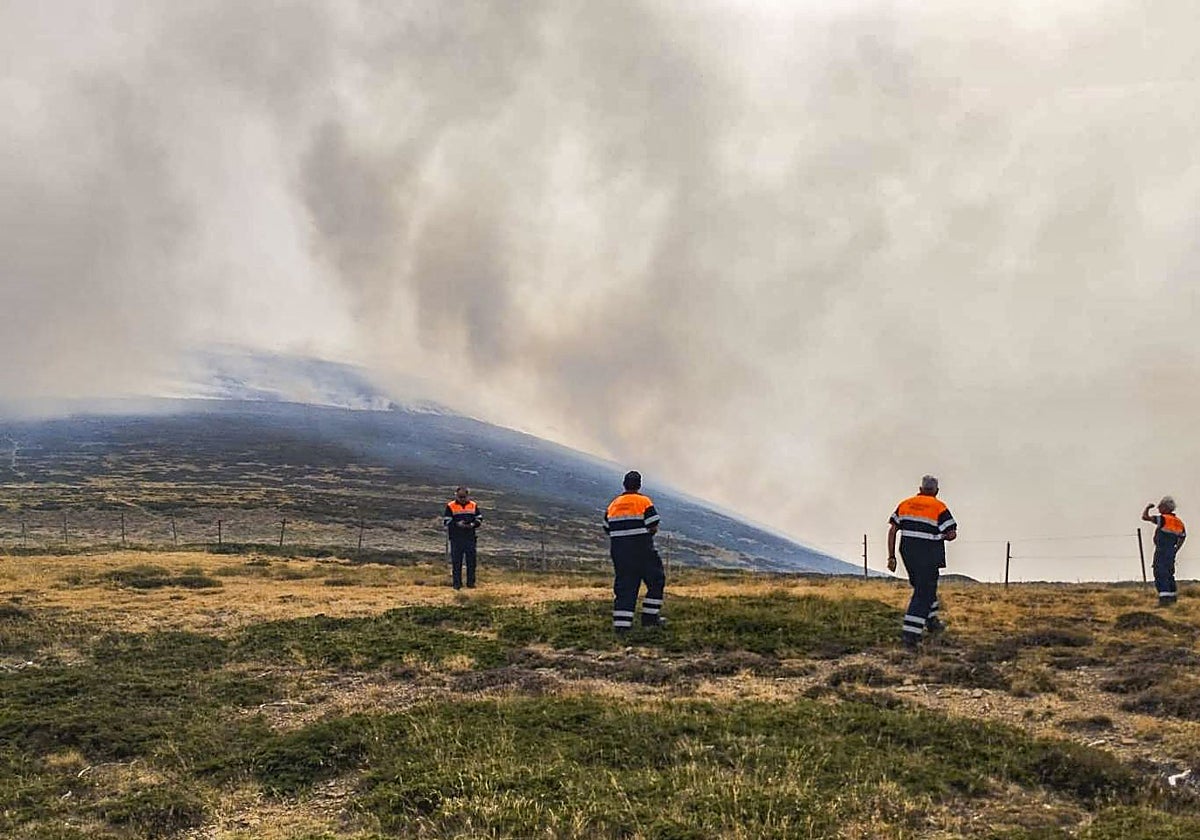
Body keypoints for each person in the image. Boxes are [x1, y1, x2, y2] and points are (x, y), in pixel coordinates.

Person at [887, 475, 957, 649]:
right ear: (936, 491)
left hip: (907, 553)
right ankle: (910, 634)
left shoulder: (905, 504)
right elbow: (951, 534)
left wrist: (891, 556)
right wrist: (942, 535)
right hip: (928, 555)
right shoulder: (939, 507)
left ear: (920, 489)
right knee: (923, 593)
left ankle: (932, 622)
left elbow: (893, 530)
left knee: (924, 587)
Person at [603, 470, 666, 632]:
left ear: (624, 484)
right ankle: (650, 619)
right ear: (639, 485)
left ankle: (622, 626)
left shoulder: (613, 505)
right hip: (642, 550)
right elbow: (653, 525)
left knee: (625, 587)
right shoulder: (643, 502)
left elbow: (607, 528)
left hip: (620, 553)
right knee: (656, 580)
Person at [1142, 496, 1185, 607]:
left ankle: (1164, 601)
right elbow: (1183, 536)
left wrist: (1148, 507)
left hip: (1162, 550)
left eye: (1160, 506)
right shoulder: (1179, 522)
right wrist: (1176, 549)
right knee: (1170, 574)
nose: (1158, 508)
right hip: (1171, 551)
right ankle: (1172, 599)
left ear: (1166, 507)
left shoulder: (1164, 519)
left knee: (1160, 573)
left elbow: (1145, 517)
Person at [443, 486, 483, 590]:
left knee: (471, 562)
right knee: (456, 562)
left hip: (470, 537)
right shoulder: (450, 506)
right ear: (456, 495)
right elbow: (446, 521)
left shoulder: (473, 505)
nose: (461, 498)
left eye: (463, 496)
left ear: (467, 496)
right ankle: (457, 584)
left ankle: (471, 583)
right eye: (459, 496)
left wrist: (472, 524)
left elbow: (479, 518)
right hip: (456, 538)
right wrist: (457, 524)